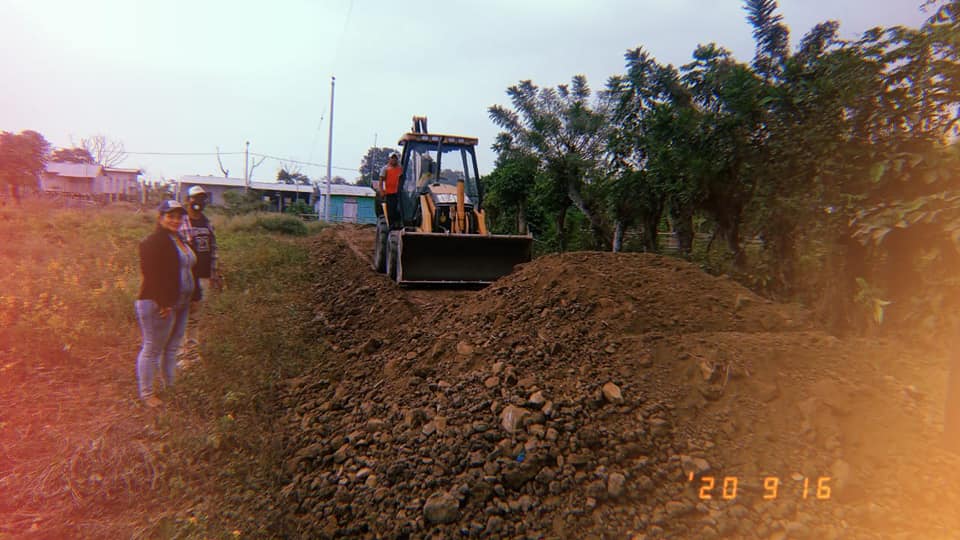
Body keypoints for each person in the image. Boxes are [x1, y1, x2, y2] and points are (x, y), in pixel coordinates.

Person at [135, 200, 195, 407]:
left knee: (172, 347)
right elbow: (151, 275)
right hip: (158, 302)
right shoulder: (153, 242)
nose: (175, 220)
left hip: (181, 301)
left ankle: (170, 386)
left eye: (179, 217)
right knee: (152, 348)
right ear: (160, 217)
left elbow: (187, 269)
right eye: (170, 216)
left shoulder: (179, 239)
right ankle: (147, 394)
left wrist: (193, 295)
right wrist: (163, 302)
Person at [178, 185, 221, 366]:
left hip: (203, 276)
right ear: (188, 200)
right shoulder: (181, 222)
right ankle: (180, 354)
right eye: (195, 198)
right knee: (182, 315)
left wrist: (215, 273)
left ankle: (192, 353)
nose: (198, 202)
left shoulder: (207, 222)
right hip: (185, 277)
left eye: (202, 198)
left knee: (195, 316)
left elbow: (213, 249)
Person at [378, 152, 403, 229]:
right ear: (389, 159)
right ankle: (391, 226)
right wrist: (381, 191)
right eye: (392, 158)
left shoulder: (400, 169)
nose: (394, 160)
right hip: (389, 194)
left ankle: (400, 224)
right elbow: (381, 181)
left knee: (400, 210)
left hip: (399, 193)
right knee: (390, 211)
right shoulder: (385, 169)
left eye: (395, 158)